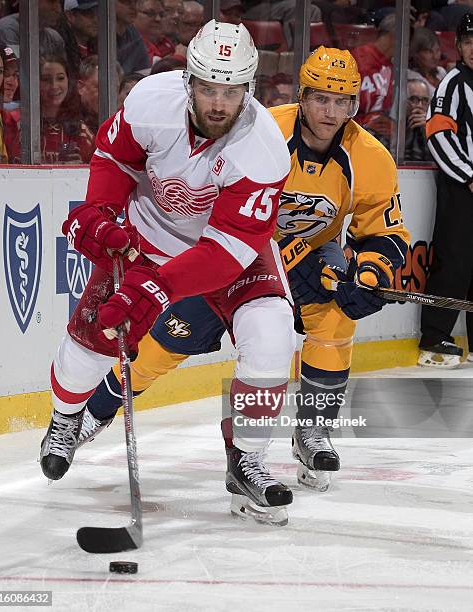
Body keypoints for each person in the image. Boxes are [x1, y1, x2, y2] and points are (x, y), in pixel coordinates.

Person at [69, 45, 410, 495]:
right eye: (321, 98)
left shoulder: (370, 157)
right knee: (161, 347)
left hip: (305, 267)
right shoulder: (260, 131)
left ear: (354, 105)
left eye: (342, 101)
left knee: (330, 323)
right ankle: (92, 413)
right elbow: (217, 212)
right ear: (302, 95)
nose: (330, 112)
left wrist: (371, 271)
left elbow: (384, 230)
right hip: (232, 260)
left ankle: (306, 431)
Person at [40, 20, 296, 526]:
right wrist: (102, 213)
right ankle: (65, 418)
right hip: (147, 238)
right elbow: (114, 159)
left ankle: (248, 460)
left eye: (231, 90)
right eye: (207, 88)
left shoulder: (263, 149)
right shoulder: (149, 102)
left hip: (228, 255)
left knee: (272, 335)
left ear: (249, 88)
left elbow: (227, 249)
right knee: (86, 353)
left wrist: (159, 289)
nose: (218, 103)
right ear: (188, 81)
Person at [419, 13, 473, 368]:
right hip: (461, 190)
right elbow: (438, 133)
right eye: (469, 42)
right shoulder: (453, 84)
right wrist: (469, 176)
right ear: (458, 46)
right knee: (455, 264)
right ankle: (435, 338)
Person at [40, 55, 95, 164]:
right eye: (46, 79)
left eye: (60, 78)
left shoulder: (82, 131)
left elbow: (98, 171)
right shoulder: (19, 124)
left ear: (68, 81)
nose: (54, 86)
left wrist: (81, 169)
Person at [353, 13, 395, 128]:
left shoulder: (390, 66)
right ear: (392, 36)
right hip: (356, 131)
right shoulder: (358, 58)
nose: (408, 47)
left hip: (382, 135)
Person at [0, 0, 66, 58]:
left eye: (59, 2)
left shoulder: (55, 38)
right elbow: (14, 63)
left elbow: (62, 69)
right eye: (51, 2)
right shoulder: (8, 28)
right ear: (31, 3)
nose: (58, 10)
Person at [56, 0, 98, 80]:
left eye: (98, 13)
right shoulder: (59, 48)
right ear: (70, 15)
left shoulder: (102, 46)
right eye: (88, 13)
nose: (95, 20)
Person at [409, 27, 447, 97]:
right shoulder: (411, 77)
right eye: (429, 52)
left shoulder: (441, 72)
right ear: (415, 53)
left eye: (437, 50)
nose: (435, 57)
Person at [116, 0, 150, 74]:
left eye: (135, 2)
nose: (134, 8)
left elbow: (143, 75)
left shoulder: (135, 38)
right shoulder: (98, 36)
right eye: (127, 2)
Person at [405, 78, 432, 162]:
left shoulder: (432, 127)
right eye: (414, 99)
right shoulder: (391, 125)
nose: (420, 105)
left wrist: (428, 132)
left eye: (424, 100)